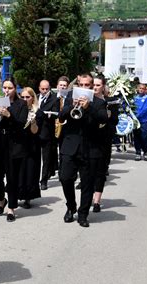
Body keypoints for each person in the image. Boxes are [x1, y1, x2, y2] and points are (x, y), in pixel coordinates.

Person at [58, 74, 108, 227]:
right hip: (70, 145)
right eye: (81, 85)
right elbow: (61, 117)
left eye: (88, 85)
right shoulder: (70, 97)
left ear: (92, 86)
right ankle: (71, 206)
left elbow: (103, 118)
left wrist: (89, 107)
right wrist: (71, 106)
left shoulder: (98, 102)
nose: (84, 88)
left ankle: (83, 213)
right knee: (65, 178)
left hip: (90, 148)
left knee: (87, 184)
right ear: (77, 85)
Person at [0, 77, 28, 222]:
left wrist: (9, 115)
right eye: (4, 88)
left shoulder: (21, 104)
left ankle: (11, 208)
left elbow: (21, 124)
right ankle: (1, 199)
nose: (6, 91)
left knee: (12, 178)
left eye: (9, 88)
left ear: (15, 88)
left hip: (14, 144)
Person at [92, 75, 119, 213]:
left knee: (100, 171)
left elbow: (115, 121)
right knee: (89, 171)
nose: (95, 87)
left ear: (103, 86)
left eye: (97, 85)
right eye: (93, 85)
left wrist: (108, 116)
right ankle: (88, 195)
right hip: (89, 141)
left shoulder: (110, 102)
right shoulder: (87, 100)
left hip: (104, 141)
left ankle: (97, 200)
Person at [18, 87, 42, 208]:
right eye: (22, 97)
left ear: (33, 98)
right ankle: (17, 194)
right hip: (18, 145)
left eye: (27, 97)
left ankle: (28, 197)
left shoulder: (38, 111)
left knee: (30, 172)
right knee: (18, 171)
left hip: (32, 146)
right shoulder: (17, 110)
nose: (25, 99)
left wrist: (33, 122)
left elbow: (36, 131)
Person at [37, 80, 58, 191]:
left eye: (47, 89)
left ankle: (44, 180)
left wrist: (47, 114)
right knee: (35, 158)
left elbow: (56, 114)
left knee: (46, 158)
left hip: (47, 132)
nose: (44, 91)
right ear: (39, 88)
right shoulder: (35, 97)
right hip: (35, 131)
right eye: (42, 89)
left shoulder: (54, 99)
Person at [133, 84, 147, 161]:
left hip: (143, 121)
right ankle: (138, 152)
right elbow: (131, 107)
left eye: (143, 88)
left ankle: (145, 152)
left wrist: (137, 116)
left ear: (145, 90)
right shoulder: (134, 98)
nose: (141, 90)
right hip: (135, 121)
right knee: (136, 137)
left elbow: (145, 109)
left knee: (144, 137)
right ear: (138, 89)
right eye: (140, 88)